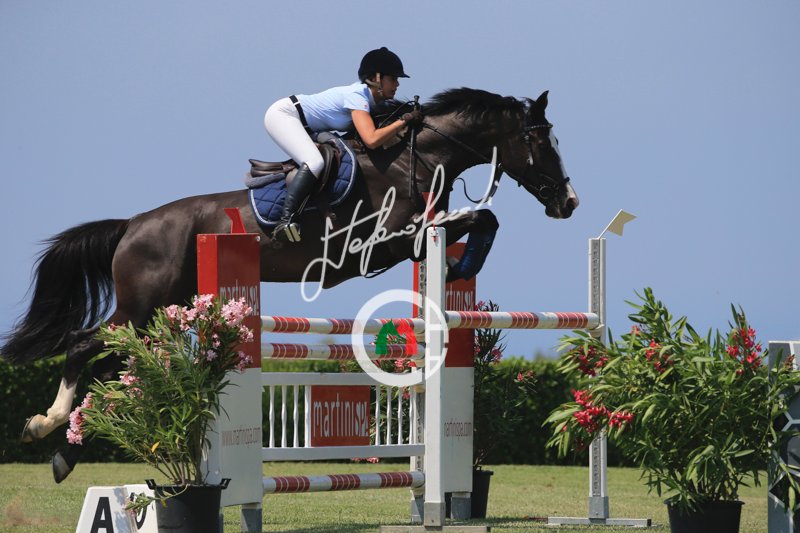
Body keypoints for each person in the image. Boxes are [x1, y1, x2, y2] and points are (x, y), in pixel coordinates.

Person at [264, 47, 423, 243]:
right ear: (376, 78)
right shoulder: (358, 97)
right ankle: (285, 220)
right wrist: (404, 121)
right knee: (314, 162)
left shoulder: (371, 100)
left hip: (309, 127)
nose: (397, 84)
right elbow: (372, 140)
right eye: (393, 78)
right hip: (284, 115)